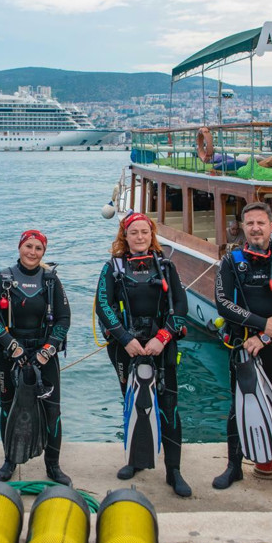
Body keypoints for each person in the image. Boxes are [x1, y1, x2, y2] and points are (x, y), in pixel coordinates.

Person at [213, 201, 272, 501]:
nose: (255, 228)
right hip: (243, 346)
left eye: (261, 223)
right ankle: (234, 467)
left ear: (271, 227)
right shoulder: (230, 262)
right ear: (242, 227)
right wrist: (261, 325)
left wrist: (266, 336)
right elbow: (223, 304)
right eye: (250, 223)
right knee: (238, 407)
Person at [95, 212, 192, 497]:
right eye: (134, 232)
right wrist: (125, 339)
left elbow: (181, 307)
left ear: (152, 235)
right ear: (125, 236)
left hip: (161, 345)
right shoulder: (113, 267)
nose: (139, 237)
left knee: (168, 405)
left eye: (144, 232)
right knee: (134, 403)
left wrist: (163, 337)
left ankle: (174, 470)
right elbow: (103, 306)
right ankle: (135, 461)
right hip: (126, 348)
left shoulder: (166, 266)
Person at [0, 229, 72, 485]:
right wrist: (12, 346)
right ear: (20, 247)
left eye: (38, 248)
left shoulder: (51, 281)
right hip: (8, 355)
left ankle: (53, 466)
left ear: (44, 252)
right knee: (8, 407)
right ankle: (9, 460)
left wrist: (47, 350)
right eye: (28, 246)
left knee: (52, 411)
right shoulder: (2, 279)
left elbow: (64, 318)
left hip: (44, 355)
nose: (32, 252)